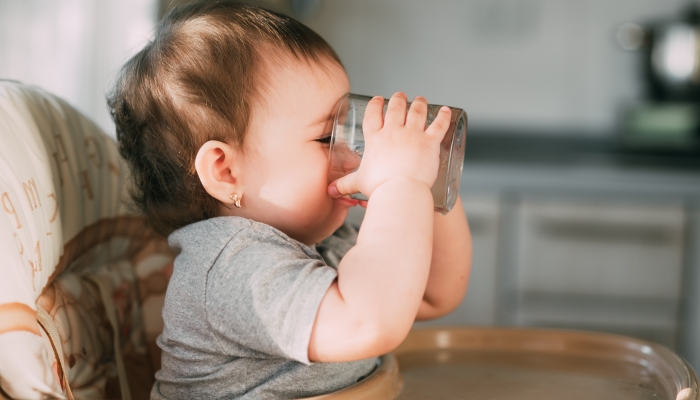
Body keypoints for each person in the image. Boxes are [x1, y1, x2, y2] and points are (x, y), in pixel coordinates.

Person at [108, 2, 472, 399]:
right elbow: (367, 323)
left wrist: (428, 184)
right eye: (325, 139)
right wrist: (400, 183)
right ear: (226, 171)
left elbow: (435, 294)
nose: (352, 155)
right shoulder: (229, 268)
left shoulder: (321, 245)